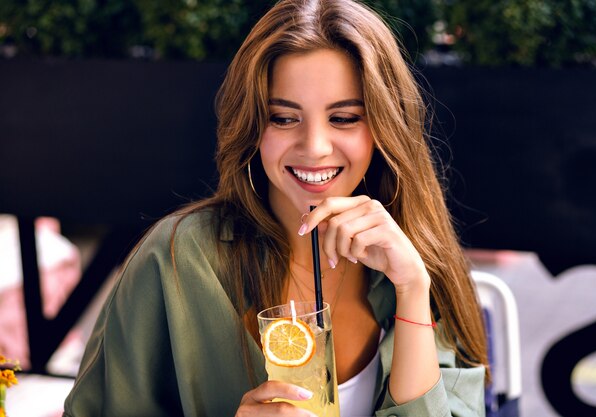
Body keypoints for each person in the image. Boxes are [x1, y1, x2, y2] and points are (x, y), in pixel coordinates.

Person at [63, 0, 488, 416]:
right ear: (252, 126)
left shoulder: (416, 259)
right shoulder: (178, 258)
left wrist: (412, 290)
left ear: (383, 128)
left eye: (343, 118)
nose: (315, 147)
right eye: (284, 118)